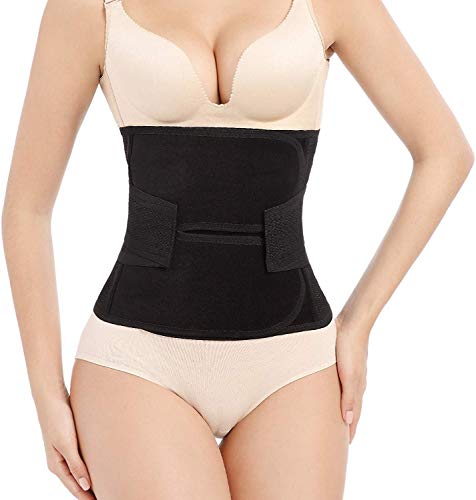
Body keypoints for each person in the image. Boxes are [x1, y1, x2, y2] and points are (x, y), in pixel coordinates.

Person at [3, 0, 473, 498]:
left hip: (294, 362)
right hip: (137, 360)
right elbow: (26, 210)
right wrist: (46, 396)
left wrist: (358, 326)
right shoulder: (89, 8)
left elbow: (445, 153)